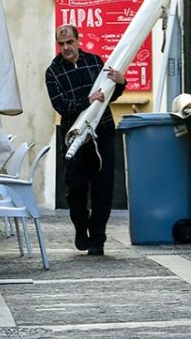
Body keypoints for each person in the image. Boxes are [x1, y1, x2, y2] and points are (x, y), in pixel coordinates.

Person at [45, 24, 126, 256]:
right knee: (76, 188)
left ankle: (98, 238)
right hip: (74, 137)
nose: (66, 47)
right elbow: (60, 106)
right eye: (61, 44)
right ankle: (81, 229)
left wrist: (120, 82)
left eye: (70, 42)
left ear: (78, 41)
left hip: (103, 132)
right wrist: (86, 101)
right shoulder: (53, 72)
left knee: (103, 188)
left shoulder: (95, 62)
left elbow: (109, 95)